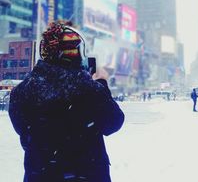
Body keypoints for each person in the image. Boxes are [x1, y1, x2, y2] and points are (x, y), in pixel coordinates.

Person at [9, 21, 125, 182]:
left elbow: (24, 134)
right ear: (77, 53)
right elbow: (114, 123)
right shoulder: (91, 89)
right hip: (88, 175)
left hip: (41, 175)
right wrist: (102, 84)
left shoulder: (21, 91)